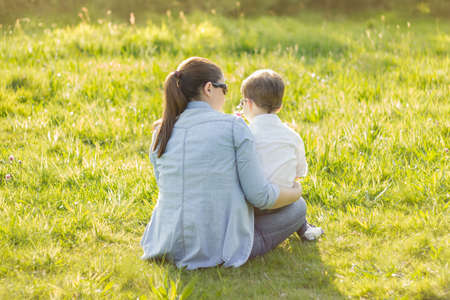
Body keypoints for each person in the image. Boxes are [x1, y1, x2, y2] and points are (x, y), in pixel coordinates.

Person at [141, 57, 307, 270]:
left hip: (164, 243)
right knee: (298, 208)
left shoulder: (160, 132)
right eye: (225, 89)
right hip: (218, 249)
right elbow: (260, 196)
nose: (227, 96)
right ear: (209, 88)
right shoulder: (234, 127)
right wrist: (296, 192)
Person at [239, 69, 324, 241]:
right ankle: (304, 227)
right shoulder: (292, 136)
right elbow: (300, 172)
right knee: (292, 185)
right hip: (283, 202)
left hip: (252, 205)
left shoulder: (246, 134)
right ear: (279, 107)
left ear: (248, 104)